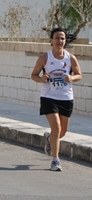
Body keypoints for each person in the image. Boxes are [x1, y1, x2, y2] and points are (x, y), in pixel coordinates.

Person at [31, 28, 82, 171]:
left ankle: (49, 139)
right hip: (49, 97)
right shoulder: (44, 58)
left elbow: (79, 75)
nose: (60, 41)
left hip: (66, 97)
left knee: (62, 131)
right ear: (51, 40)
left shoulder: (70, 58)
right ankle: (55, 160)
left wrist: (72, 78)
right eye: (57, 38)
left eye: (63, 39)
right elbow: (33, 75)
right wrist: (41, 79)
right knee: (57, 127)